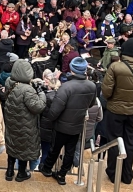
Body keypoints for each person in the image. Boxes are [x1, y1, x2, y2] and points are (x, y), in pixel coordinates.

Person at [101, 38, 133, 185]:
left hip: (115, 111)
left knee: (114, 142)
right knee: (130, 143)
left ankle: (113, 173)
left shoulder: (115, 67)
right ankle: (127, 174)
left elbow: (106, 92)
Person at [39, 57, 97, 185]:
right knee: (70, 152)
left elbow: (55, 110)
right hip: (77, 124)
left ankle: (47, 168)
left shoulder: (66, 87)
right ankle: (62, 174)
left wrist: (50, 119)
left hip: (61, 125)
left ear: (72, 69)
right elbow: (91, 103)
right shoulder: (91, 86)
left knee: (55, 149)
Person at [3, 59, 46, 182]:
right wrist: (40, 92)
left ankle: (9, 172)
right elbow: (38, 107)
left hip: (11, 121)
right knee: (23, 147)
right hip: (25, 124)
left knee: (12, 144)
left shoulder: (9, 82)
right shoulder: (28, 90)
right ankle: (21, 173)